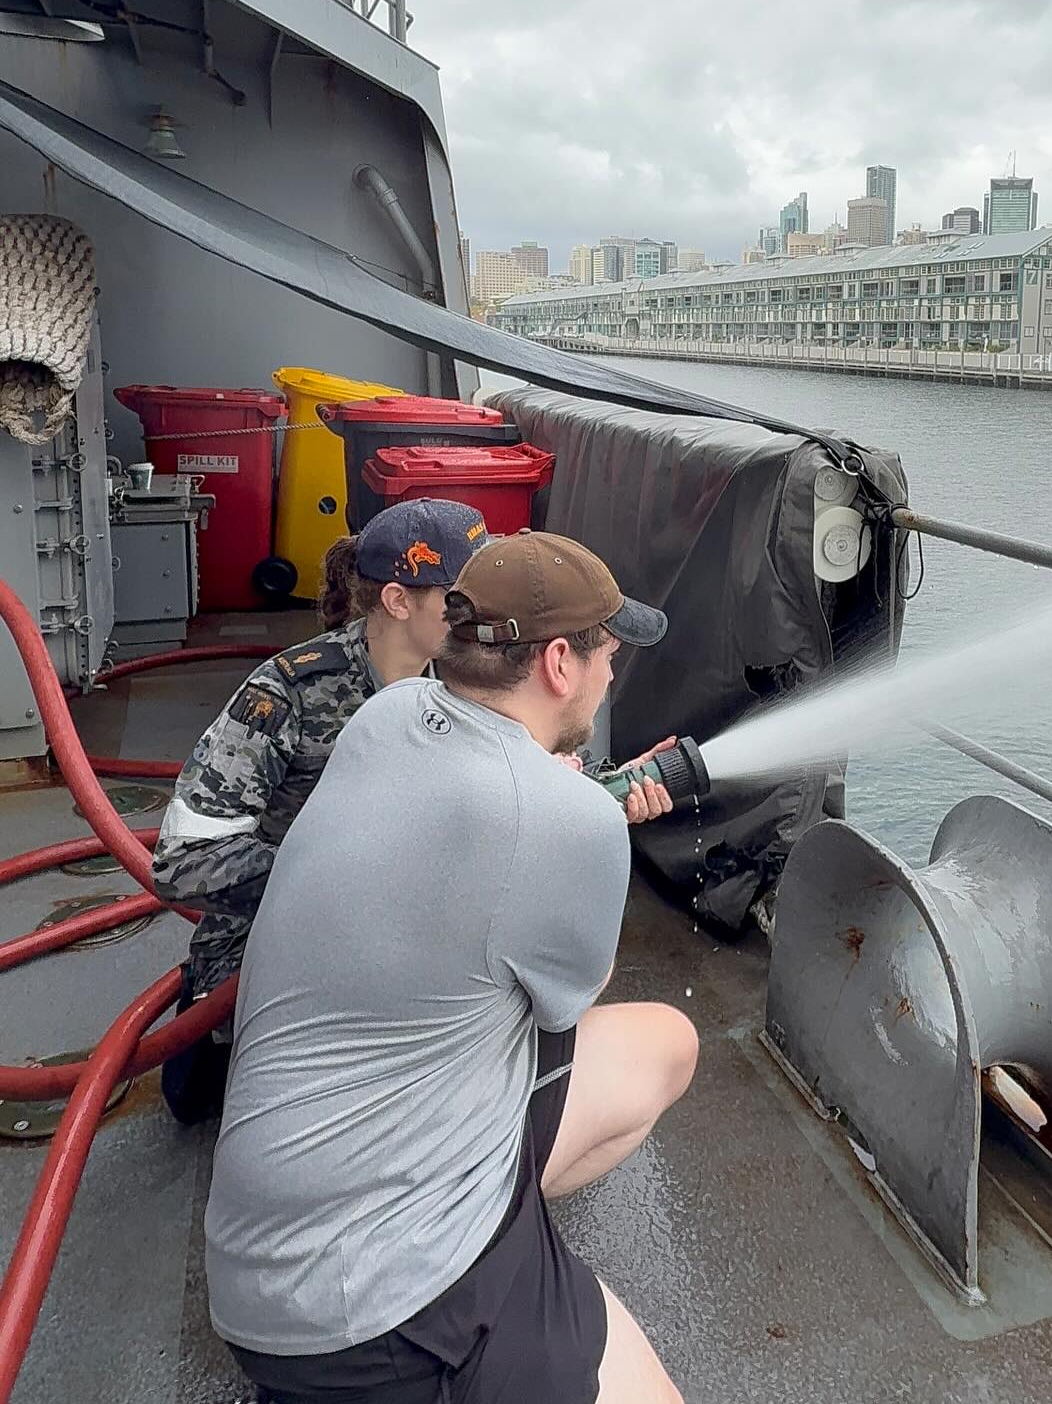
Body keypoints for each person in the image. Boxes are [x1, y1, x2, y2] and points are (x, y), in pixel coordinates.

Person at [204, 530, 697, 1404]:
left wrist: (553, 788)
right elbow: (560, 1014)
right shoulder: (564, 823)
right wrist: (584, 821)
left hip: (251, 1265)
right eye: (608, 656)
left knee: (668, 1044)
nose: (611, 675)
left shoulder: (390, 713)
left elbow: (479, 818)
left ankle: (486, 1214)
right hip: (366, 1323)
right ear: (557, 663)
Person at [151, 497, 490, 1123]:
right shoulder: (289, 693)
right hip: (278, 939)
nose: (482, 611)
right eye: (461, 596)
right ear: (398, 601)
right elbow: (184, 862)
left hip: (403, 927)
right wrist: (344, 889)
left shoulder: (466, 683)